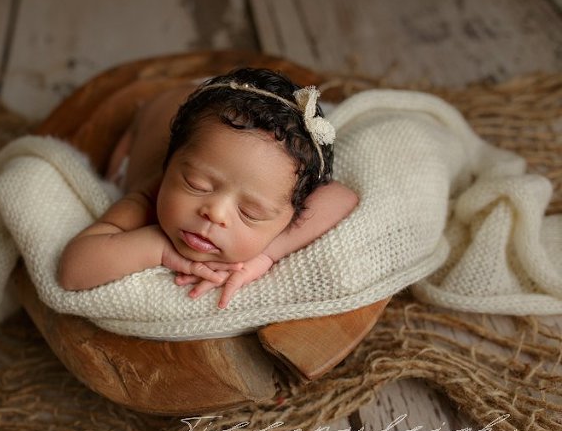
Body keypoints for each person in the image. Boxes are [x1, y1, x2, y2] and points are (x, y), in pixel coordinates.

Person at [58, 68, 359, 309]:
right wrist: (157, 248)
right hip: (160, 108)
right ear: (169, 165)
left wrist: (266, 256)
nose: (215, 213)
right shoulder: (146, 200)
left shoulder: (281, 193)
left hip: (213, 112)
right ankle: (138, 131)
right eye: (196, 184)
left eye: (250, 212)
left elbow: (342, 198)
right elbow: (72, 270)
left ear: (289, 216)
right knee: (117, 167)